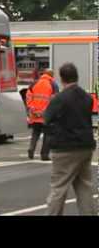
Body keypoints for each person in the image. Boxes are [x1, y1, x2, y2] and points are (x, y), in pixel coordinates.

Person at [44, 63, 97, 216]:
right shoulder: (87, 97)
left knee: (59, 188)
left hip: (64, 148)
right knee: (84, 186)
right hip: (86, 146)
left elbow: (47, 119)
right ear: (77, 76)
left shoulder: (59, 98)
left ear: (61, 78)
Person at [25, 68, 57, 160]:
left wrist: (32, 109)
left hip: (35, 114)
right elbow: (55, 100)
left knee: (35, 133)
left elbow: (28, 96)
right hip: (46, 115)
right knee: (48, 135)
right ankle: (44, 155)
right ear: (51, 75)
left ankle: (31, 149)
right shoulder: (53, 84)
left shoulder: (34, 83)